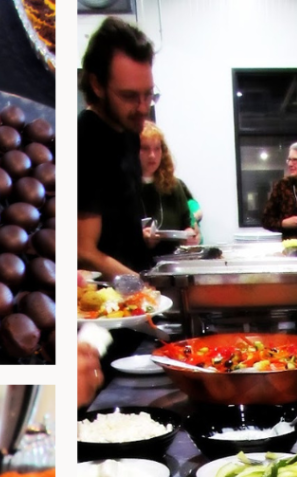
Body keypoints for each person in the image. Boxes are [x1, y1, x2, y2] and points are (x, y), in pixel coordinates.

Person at [78, 17, 156, 280]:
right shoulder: (85, 141)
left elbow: (118, 230)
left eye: (149, 94)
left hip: (130, 294)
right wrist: (142, 291)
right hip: (104, 308)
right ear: (97, 85)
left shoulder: (128, 132)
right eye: (130, 96)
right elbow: (83, 251)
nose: (144, 108)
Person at [139, 122, 201, 251]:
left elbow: (188, 224)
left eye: (157, 148)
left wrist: (191, 236)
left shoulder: (174, 186)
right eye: (145, 148)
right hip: (134, 266)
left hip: (171, 263)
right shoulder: (122, 188)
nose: (152, 155)